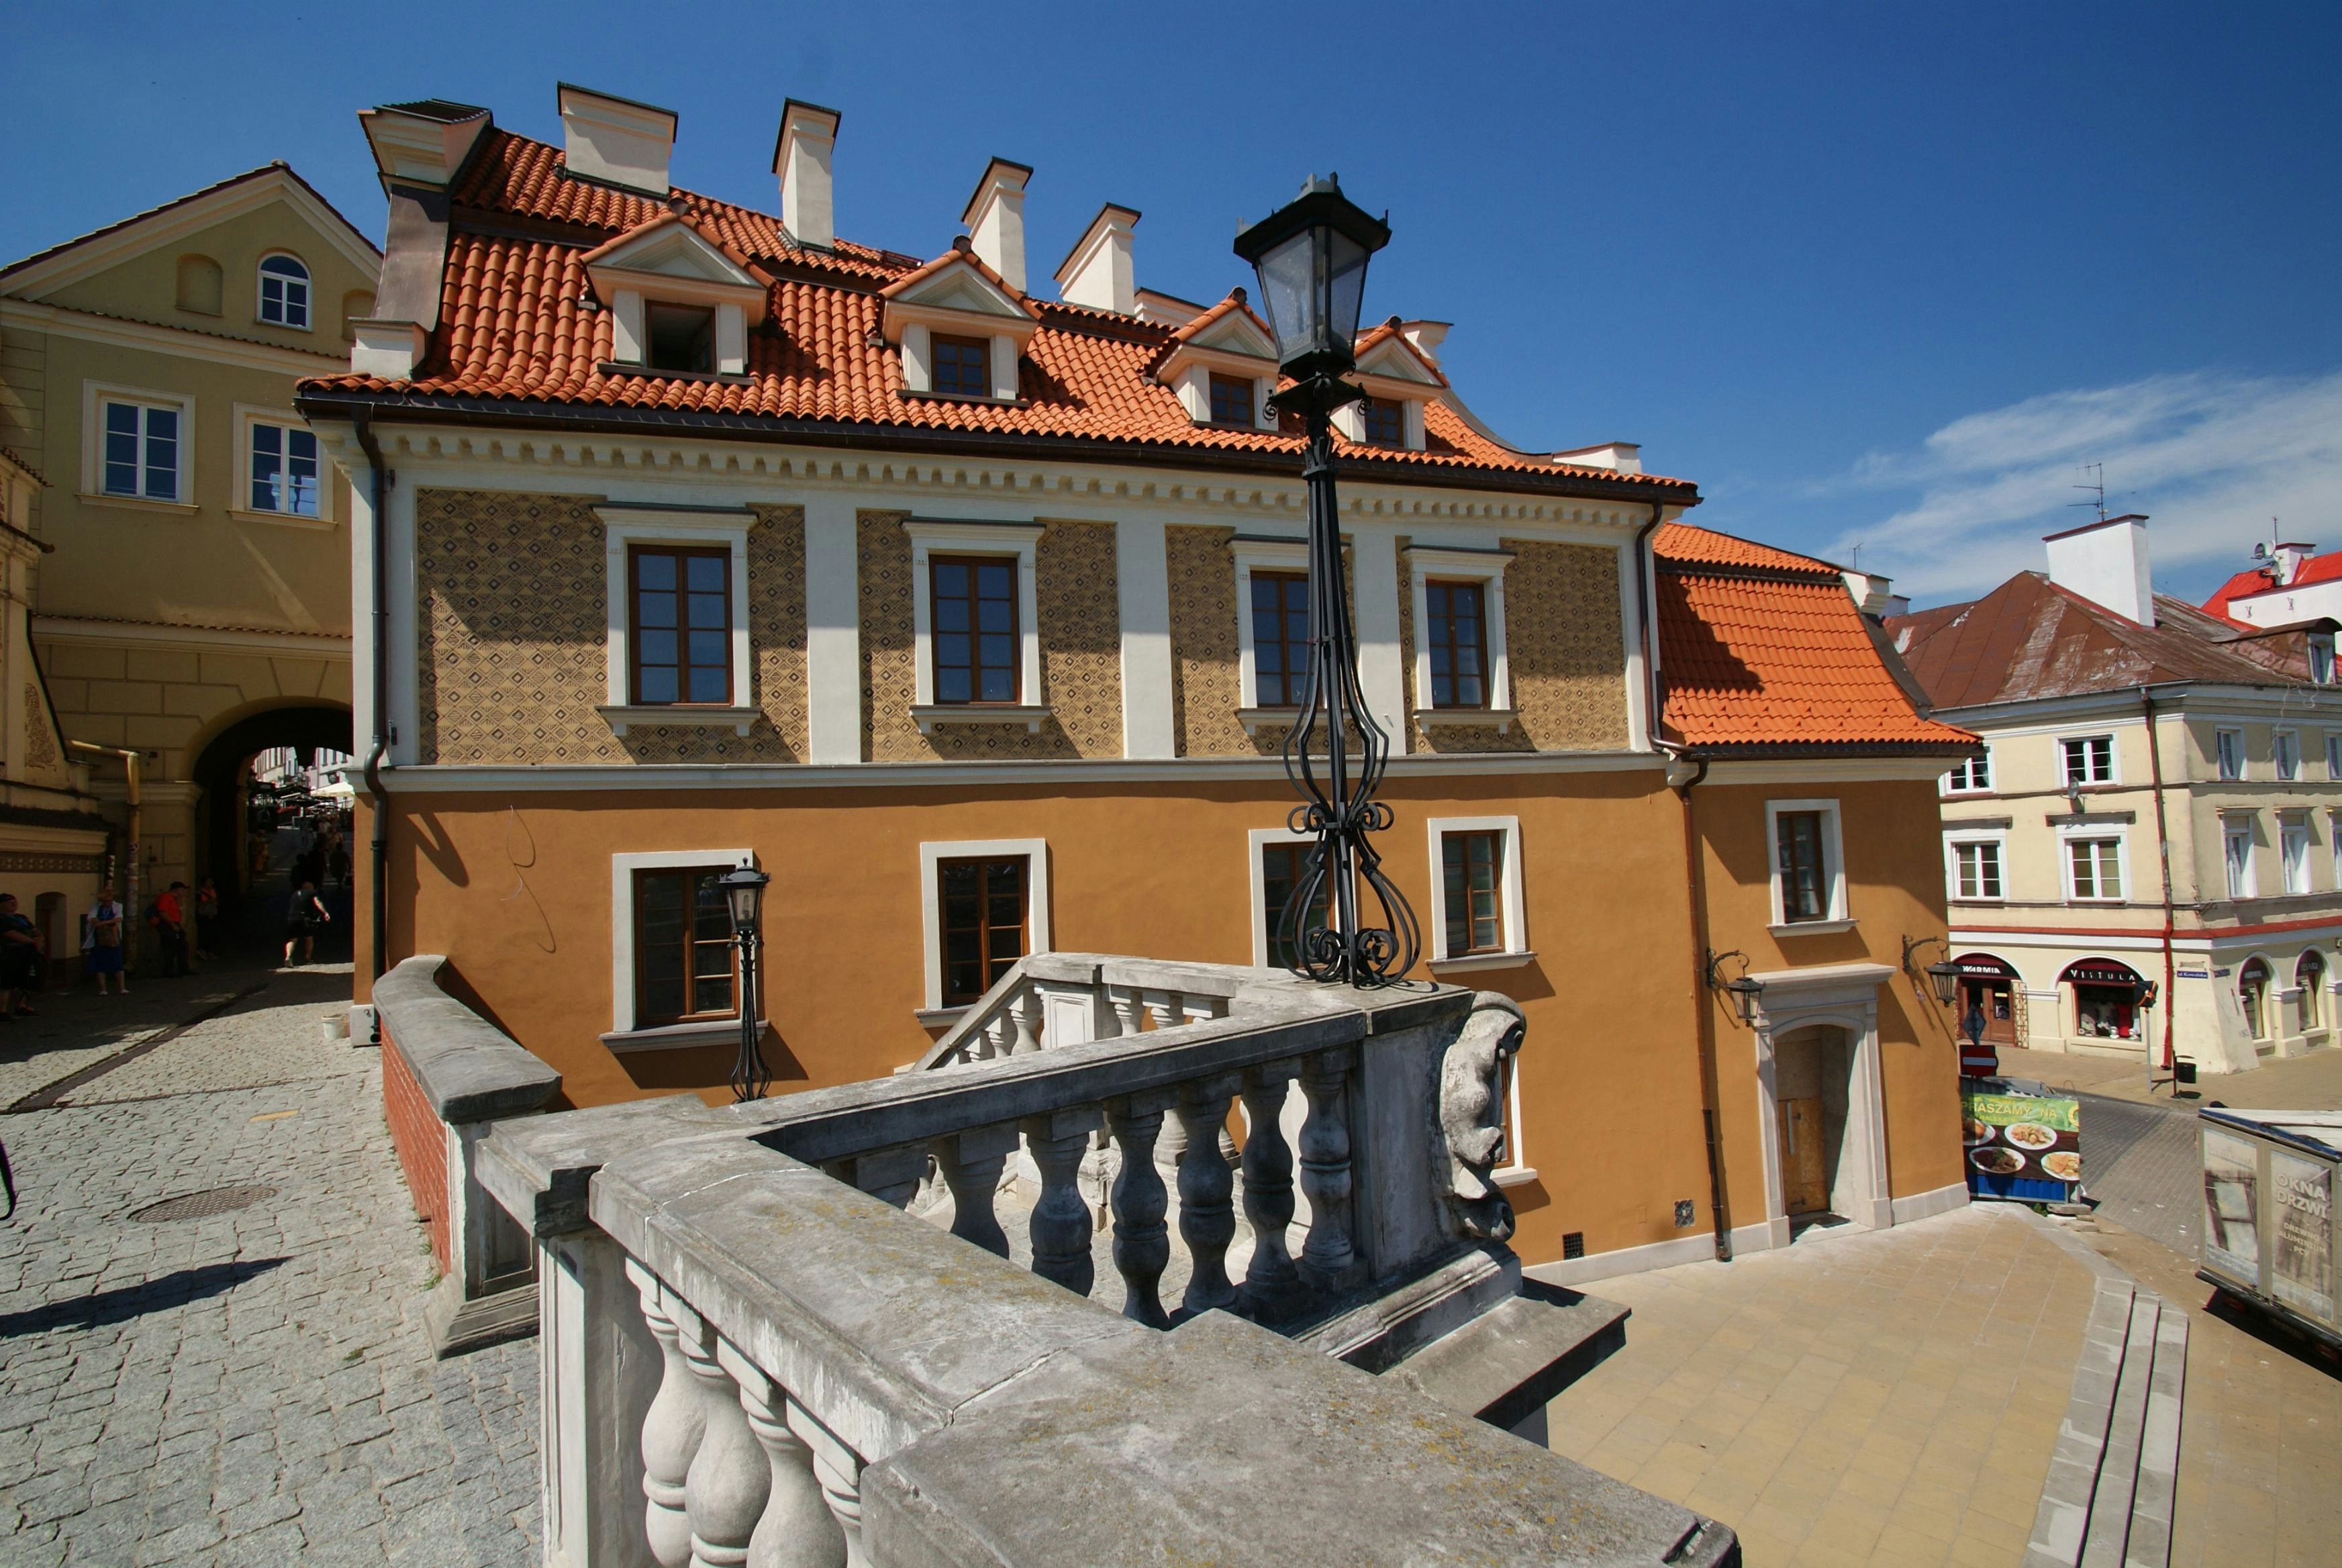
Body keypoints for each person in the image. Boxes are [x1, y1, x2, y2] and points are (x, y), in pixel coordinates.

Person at [0, 895, 40, 1019]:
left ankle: (22, 1006)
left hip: (27, 954)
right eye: (9, 902)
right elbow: (11, 934)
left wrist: (39, 939)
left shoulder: (21, 918)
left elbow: (35, 931)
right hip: (9, 954)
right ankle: (2, 1011)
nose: (14, 903)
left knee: (26, 980)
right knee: (6, 983)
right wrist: (32, 941)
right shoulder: (2, 919)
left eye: (15, 901)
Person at [83, 885, 127, 994]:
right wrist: (97, 922)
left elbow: (119, 918)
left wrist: (103, 923)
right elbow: (91, 917)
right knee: (99, 963)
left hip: (113, 937)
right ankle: (103, 989)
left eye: (109, 901)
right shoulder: (96, 907)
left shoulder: (118, 906)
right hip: (99, 938)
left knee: (117, 962)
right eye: (105, 901)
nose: (108, 903)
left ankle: (121, 988)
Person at [285, 879, 329, 966]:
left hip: (292, 917)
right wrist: (325, 912)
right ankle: (308, 958)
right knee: (309, 938)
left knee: (292, 939)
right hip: (305, 918)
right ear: (311, 888)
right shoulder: (312, 892)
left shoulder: (294, 893)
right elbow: (318, 902)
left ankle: (288, 956)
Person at [150, 882, 189, 978]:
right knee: (170, 948)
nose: (184, 892)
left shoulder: (173, 898)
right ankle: (170, 971)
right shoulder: (166, 897)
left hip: (174, 924)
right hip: (167, 924)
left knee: (182, 945)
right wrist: (172, 925)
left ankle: (183, 968)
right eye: (182, 889)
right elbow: (163, 912)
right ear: (177, 890)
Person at [195, 878, 222, 961]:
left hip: (212, 915)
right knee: (205, 934)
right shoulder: (199, 893)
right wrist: (209, 901)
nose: (211, 884)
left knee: (212, 934)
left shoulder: (213, 891)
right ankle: (203, 951)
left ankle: (209, 951)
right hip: (203, 916)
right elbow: (196, 904)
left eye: (211, 882)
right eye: (209, 882)